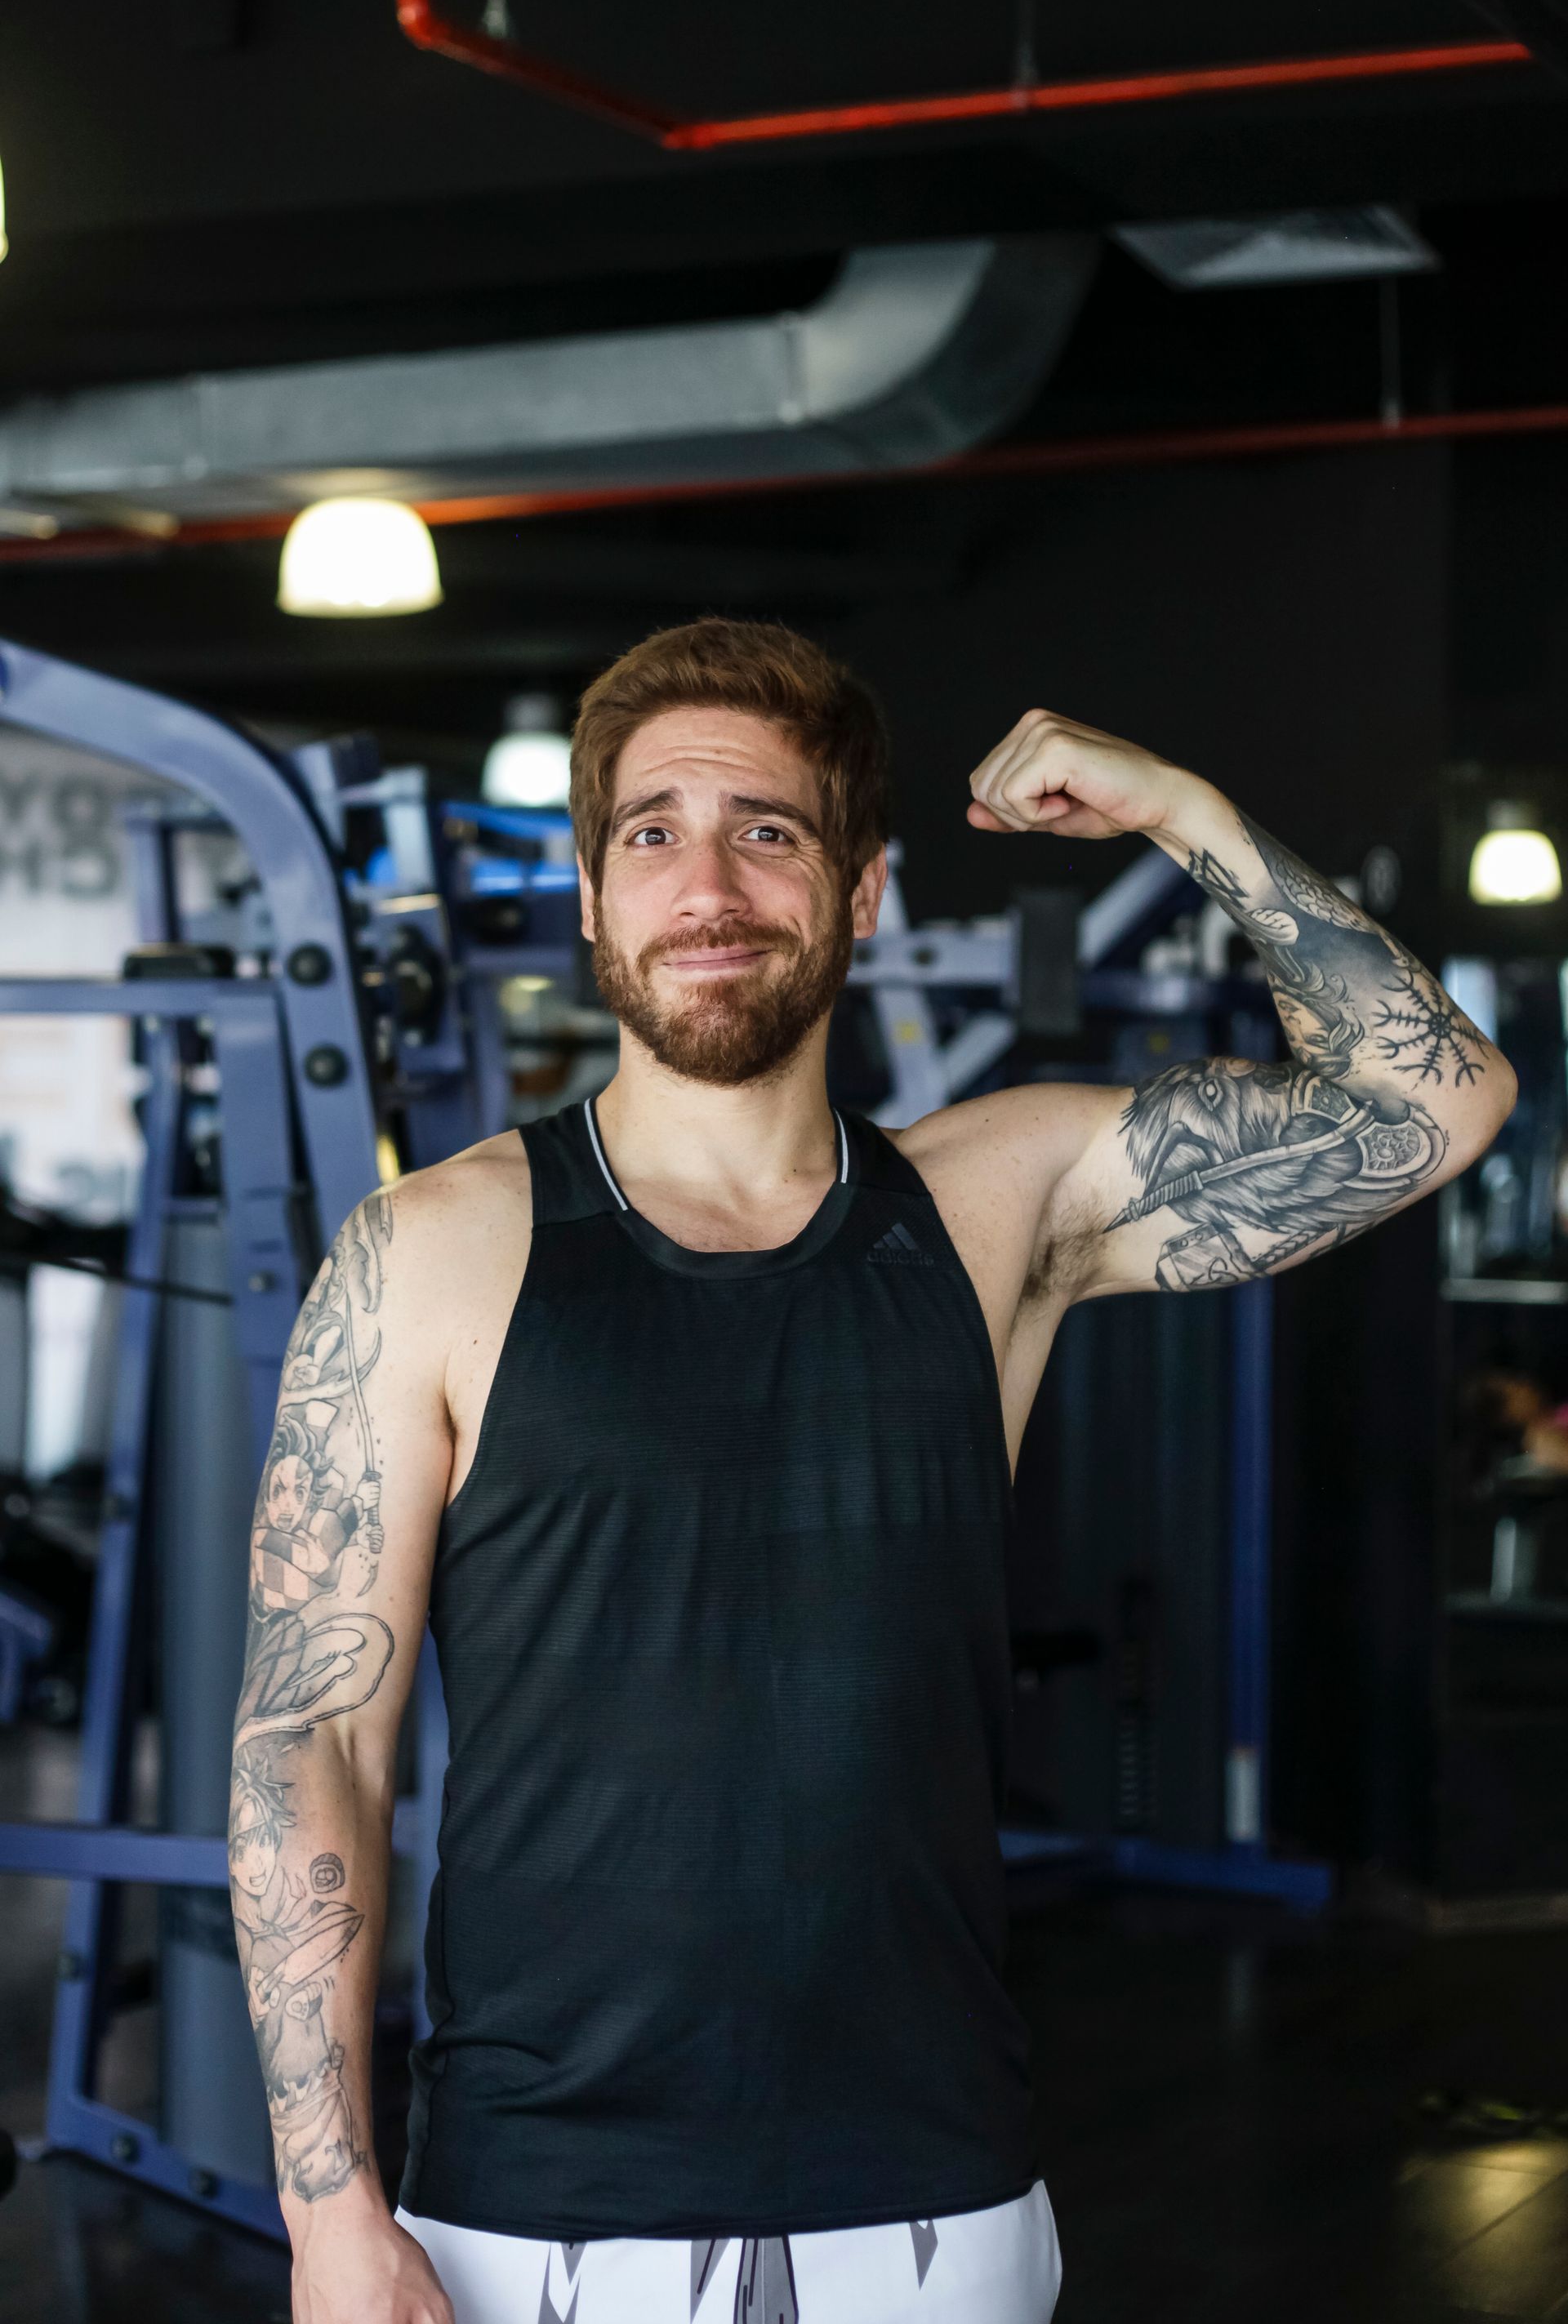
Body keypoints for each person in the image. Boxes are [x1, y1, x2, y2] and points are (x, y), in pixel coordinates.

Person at [229, 619, 1515, 2324]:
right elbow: (311, 1737)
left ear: (863, 894)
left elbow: (1438, 1102)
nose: (708, 885)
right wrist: (329, 2208)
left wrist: (1179, 809)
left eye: (767, 830)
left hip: (933, 2196)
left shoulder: (996, 1204)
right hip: (530, 2211)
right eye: (653, 833)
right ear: (594, 902)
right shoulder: (431, 1250)